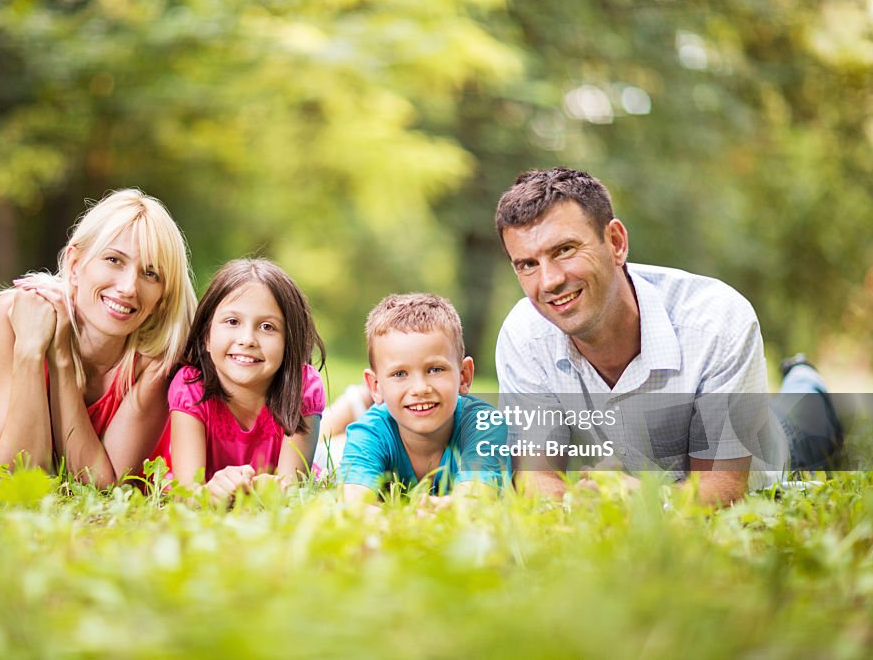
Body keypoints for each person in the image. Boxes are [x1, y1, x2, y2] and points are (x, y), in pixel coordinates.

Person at [494, 167, 841, 506]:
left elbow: (722, 488)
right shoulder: (524, 336)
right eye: (527, 265)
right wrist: (575, 509)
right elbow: (535, 477)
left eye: (565, 250)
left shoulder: (716, 321)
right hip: (642, 480)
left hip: (772, 455)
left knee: (806, 415)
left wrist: (645, 503)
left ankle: (805, 377)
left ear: (615, 242)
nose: (549, 281)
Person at [0, 189, 197, 487]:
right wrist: (31, 351)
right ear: (74, 266)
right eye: (113, 260)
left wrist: (61, 357)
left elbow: (103, 485)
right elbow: (14, 475)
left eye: (150, 274)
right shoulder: (12, 316)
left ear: (162, 297)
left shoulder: (156, 361)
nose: (128, 287)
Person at [167, 258, 326, 505]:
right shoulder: (191, 387)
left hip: (319, 464)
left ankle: (354, 406)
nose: (247, 339)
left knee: (336, 452)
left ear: (289, 342)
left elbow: (290, 490)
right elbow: (186, 493)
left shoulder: (302, 387)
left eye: (267, 326)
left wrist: (272, 488)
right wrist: (210, 492)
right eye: (232, 322)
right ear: (207, 336)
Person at [340, 293, 510, 501]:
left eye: (435, 369)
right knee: (330, 448)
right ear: (376, 386)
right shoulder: (370, 432)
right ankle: (342, 409)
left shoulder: (484, 426)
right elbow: (354, 504)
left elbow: (474, 501)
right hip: (345, 444)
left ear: (464, 376)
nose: (420, 388)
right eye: (400, 374)